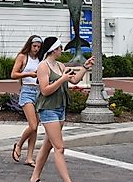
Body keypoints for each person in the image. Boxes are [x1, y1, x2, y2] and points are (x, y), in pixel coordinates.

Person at [30, 37, 94, 182]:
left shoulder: (60, 65)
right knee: (59, 148)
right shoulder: (43, 66)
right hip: (48, 109)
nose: (62, 50)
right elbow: (45, 90)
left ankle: (34, 177)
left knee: (48, 144)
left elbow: (74, 80)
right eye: (59, 48)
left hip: (60, 107)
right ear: (53, 50)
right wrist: (61, 80)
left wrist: (85, 67)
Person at [10, 35, 42, 168]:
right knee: (33, 125)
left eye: (39, 47)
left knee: (35, 128)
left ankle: (29, 157)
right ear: (29, 45)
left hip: (39, 91)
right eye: (34, 46)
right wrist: (28, 74)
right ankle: (19, 145)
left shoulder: (41, 59)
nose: (36, 49)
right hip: (27, 91)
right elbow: (13, 74)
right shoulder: (23, 57)